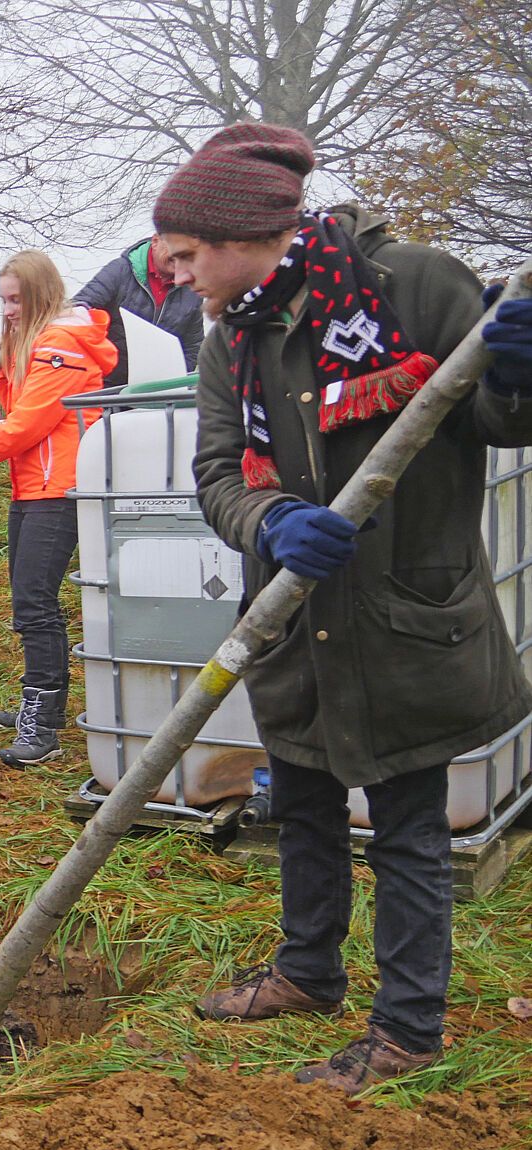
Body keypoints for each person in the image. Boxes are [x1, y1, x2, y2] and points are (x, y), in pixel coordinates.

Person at [157, 123, 532, 1093]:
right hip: (291, 621)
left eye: (188, 253)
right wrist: (271, 518)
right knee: (305, 803)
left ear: (239, 234)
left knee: (405, 824)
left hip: (400, 617)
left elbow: (499, 422)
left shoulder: (410, 288)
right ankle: (306, 969)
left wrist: (515, 371)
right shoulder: (229, 339)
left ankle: (406, 1029)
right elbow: (212, 476)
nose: (178, 271)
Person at [0, 251, 116, 764]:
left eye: (17, 300)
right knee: (27, 602)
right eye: (4, 301)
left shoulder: (60, 347)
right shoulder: (33, 344)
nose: (8, 310)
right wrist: (6, 359)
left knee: (35, 603)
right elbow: (9, 410)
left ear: (41, 296)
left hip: (60, 488)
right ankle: (39, 706)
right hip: (31, 486)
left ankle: (42, 727)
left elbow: (25, 427)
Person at [74, 233, 204, 386]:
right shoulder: (120, 271)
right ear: (155, 241)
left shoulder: (193, 291)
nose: (180, 258)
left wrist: (173, 384)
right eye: (176, 248)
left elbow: (191, 346)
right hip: (104, 384)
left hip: (153, 391)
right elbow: (79, 308)